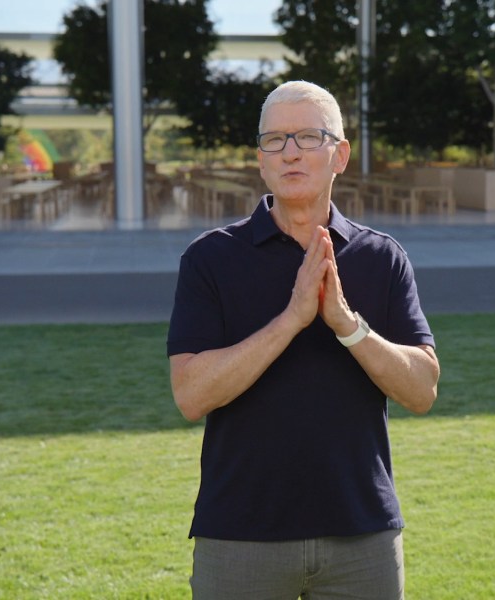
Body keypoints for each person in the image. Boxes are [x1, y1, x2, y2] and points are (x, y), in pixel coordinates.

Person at [167, 80, 440, 599]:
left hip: (363, 536)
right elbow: (190, 395)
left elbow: (422, 390)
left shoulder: (381, 259)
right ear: (260, 160)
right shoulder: (210, 259)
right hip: (239, 535)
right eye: (275, 140)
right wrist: (291, 319)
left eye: (308, 137)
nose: (290, 152)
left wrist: (345, 324)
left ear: (340, 155)